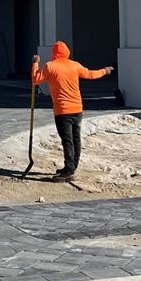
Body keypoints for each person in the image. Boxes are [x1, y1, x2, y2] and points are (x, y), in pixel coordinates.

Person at [31, 41, 114, 182]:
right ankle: (72, 166)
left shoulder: (50, 66)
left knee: (67, 140)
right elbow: (90, 74)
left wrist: (35, 64)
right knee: (75, 139)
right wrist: (104, 71)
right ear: (67, 52)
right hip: (77, 109)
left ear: (54, 53)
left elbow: (35, 80)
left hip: (62, 111)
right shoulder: (75, 65)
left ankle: (69, 170)